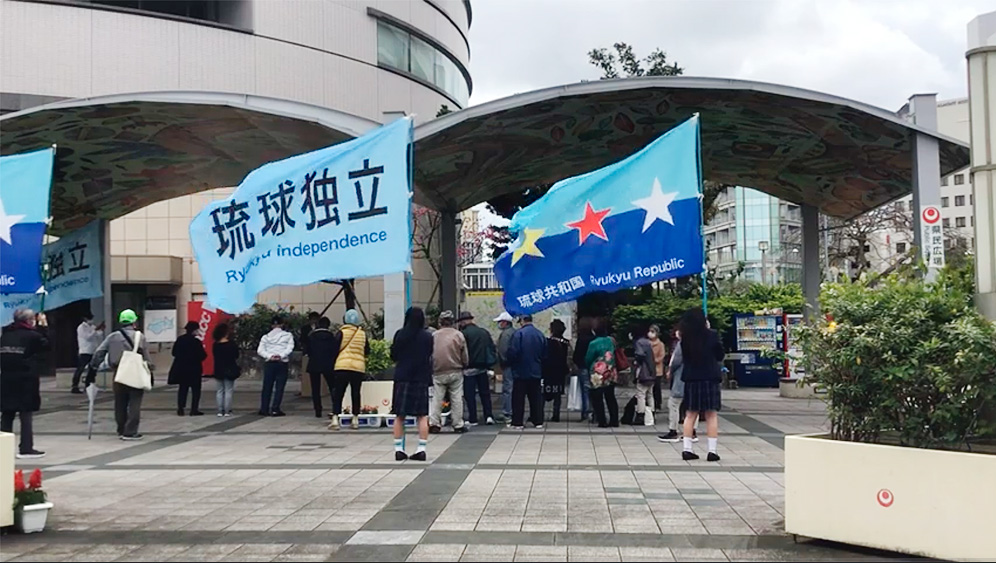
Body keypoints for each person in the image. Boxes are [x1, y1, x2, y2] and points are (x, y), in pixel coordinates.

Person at [91, 309, 153, 440]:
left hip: (118, 373)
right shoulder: (139, 337)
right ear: (134, 321)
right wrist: (150, 371)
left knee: (120, 403)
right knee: (135, 403)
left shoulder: (112, 336)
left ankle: (121, 429)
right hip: (135, 373)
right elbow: (147, 359)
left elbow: (99, 352)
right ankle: (130, 431)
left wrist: (94, 367)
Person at [675, 308, 725, 461]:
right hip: (710, 377)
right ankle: (712, 451)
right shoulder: (712, 335)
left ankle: (687, 449)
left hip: (692, 378)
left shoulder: (685, 338)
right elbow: (720, 354)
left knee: (690, 414)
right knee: (711, 414)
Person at [0, 309, 50, 458]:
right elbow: (47, 346)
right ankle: (26, 447)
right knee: (25, 413)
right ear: (29, 321)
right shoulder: (33, 336)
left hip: (7, 378)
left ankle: (4, 446)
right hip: (26, 379)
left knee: (7, 414)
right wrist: (44, 327)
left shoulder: (5, 336)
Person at [390, 307, 434, 461]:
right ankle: (421, 449)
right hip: (421, 378)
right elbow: (429, 354)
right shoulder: (427, 337)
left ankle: (398, 449)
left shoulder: (400, 334)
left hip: (402, 377)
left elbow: (393, 355)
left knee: (399, 415)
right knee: (422, 415)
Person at [330, 309, 369, 430]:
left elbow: (334, 349)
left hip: (342, 366)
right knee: (356, 393)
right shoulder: (362, 334)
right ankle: (355, 419)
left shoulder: (341, 333)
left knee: (339, 393)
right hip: (358, 368)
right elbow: (367, 351)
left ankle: (335, 419)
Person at [430, 310, 468, 433]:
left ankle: (434, 423)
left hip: (438, 371)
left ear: (440, 322)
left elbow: (430, 354)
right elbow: (465, 355)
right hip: (455, 370)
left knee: (437, 398)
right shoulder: (458, 335)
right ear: (452, 322)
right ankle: (458, 424)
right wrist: (465, 364)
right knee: (456, 397)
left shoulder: (434, 335)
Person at [507, 314, 547, 429]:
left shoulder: (518, 334)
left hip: (520, 371)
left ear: (522, 321)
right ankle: (538, 421)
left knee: (518, 399)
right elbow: (545, 354)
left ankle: (518, 422)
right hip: (536, 371)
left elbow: (513, 352)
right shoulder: (540, 334)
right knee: (536, 398)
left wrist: (511, 362)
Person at [458, 311, 497, 426]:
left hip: (468, 368)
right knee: (485, 393)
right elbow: (491, 348)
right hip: (483, 368)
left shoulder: (463, 334)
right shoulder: (484, 332)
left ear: (463, 321)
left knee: (470, 395)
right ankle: (488, 416)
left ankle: (473, 418)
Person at [256, 315, 294, 417]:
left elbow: (260, 350)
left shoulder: (265, 337)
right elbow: (290, 348)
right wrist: (281, 356)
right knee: (279, 387)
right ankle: (275, 409)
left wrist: (269, 356)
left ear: (272, 325)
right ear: (282, 324)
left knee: (267, 386)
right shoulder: (288, 335)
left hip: (269, 363)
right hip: (282, 363)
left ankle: (264, 408)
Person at [585, 320, 619, 428]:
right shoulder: (610, 341)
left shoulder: (593, 343)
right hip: (610, 370)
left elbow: (588, 358)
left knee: (597, 397)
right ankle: (614, 420)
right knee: (610, 396)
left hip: (597, 372)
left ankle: (602, 420)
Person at [169, 321, 207, 416]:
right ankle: (194, 409)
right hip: (194, 369)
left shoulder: (180, 340)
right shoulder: (196, 342)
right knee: (196, 390)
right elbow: (202, 355)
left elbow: (174, 353)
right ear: (194, 330)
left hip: (182, 368)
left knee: (183, 389)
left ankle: (181, 408)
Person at [306, 317, 339, 419]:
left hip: (314, 364)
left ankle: (318, 410)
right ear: (328, 325)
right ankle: (335, 408)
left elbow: (307, 351)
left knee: (315, 389)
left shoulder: (311, 336)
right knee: (332, 387)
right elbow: (335, 350)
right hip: (328, 365)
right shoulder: (332, 337)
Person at [658, 328, 685, 442]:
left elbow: (676, 361)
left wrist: (670, 370)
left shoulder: (682, 344)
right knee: (692, 407)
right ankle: (692, 432)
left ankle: (673, 430)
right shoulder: (698, 343)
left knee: (673, 403)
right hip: (693, 379)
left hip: (681, 378)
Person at [542, 319, 571, 423]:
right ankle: (556, 414)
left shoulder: (547, 342)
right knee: (557, 394)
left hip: (548, 371)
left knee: (544, 393)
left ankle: (540, 413)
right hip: (561, 371)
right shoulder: (566, 343)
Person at [212, 323, 240, 416]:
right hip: (229, 368)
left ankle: (220, 410)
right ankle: (227, 410)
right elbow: (236, 355)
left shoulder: (215, 345)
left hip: (218, 369)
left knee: (219, 390)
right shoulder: (231, 344)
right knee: (228, 390)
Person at [71, 312, 103, 394]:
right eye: (90, 319)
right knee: (80, 368)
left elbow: (98, 335)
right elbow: (87, 337)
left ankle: (89, 384)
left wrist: (100, 330)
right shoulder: (81, 328)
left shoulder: (92, 326)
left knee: (92, 369)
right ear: (85, 319)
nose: (91, 321)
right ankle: (75, 386)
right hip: (85, 351)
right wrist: (95, 331)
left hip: (93, 350)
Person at [632, 326, 656, 426]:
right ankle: (652, 412)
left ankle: (640, 415)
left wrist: (636, 361)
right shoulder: (648, 342)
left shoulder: (639, 343)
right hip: (651, 371)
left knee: (641, 394)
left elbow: (640, 354)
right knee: (650, 394)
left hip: (643, 372)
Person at [573, 317, 596, 421]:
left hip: (583, 367)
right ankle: (594, 412)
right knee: (595, 390)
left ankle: (586, 412)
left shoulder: (581, 339)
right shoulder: (594, 338)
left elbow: (576, 355)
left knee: (585, 391)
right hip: (594, 367)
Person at [495, 312, 516, 422]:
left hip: (508, 366)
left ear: (504, 323)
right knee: (512, 388)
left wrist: (503, 363)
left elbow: (503, 351)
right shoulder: (514, 332)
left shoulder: (505, 334)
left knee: (508, 389)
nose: (498, 324)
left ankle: (507, 412)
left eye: (499, 322)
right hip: (515, 365)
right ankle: (512, 410)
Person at [649, 325, 666, 412]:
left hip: (657, 369)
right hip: (648, 369)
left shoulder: (660, 344)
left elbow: (662, 356)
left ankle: (658, 404)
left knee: (657, 387)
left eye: (653, 332)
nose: (650, 333)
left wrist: (654, 360)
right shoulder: (647, 343)